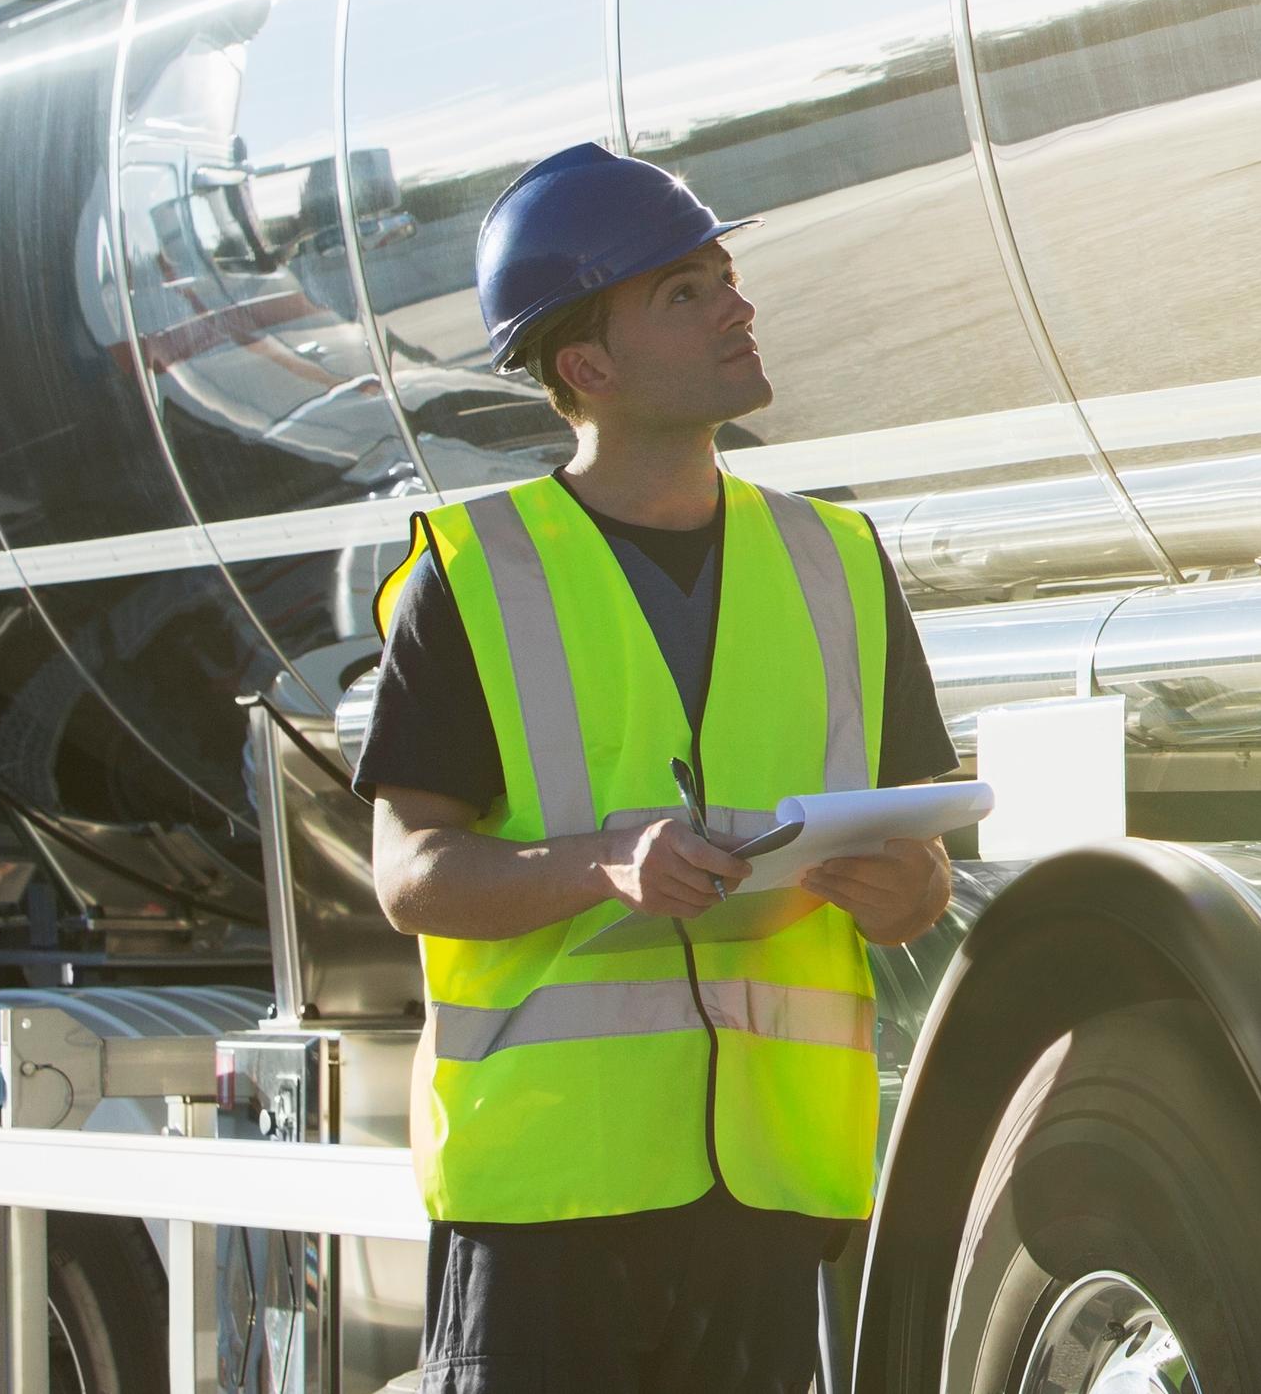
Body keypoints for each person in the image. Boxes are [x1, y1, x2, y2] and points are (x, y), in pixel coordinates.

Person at [355, 143, 962, 1394]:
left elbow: (921, 854)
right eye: (683, 291)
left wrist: (915, 894)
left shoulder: (837, 560)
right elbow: (411, 876)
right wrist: (602, 865)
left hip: (766, 1196)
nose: (737, 305)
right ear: (588, 366)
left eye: (724, 274)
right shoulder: (473, 573)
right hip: (547, 1204)